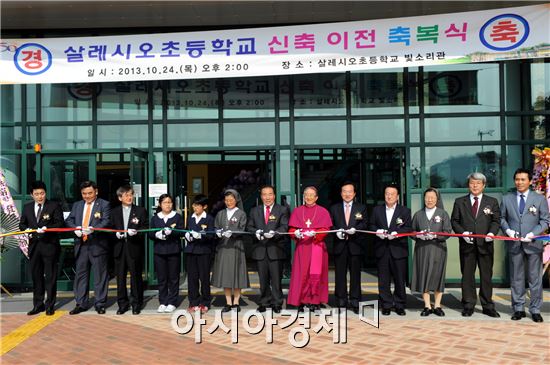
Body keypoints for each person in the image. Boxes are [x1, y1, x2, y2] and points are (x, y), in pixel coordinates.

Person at [500, 168, 549, 323]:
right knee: (516, 278)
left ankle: (535, 309)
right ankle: (519, 308)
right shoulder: (507, 198)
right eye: (517, 179)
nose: (519, 182)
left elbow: (545, 220)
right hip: (514, 244)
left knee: (535, 278)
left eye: (523, 179)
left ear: (529, 181)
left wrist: (533, 233)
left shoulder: (539, 199)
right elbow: (501, 218)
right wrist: (507, 230)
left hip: (533, 244)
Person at [451, 172, 501, 318]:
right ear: (468, 185)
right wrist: (463, 233)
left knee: (486, 276)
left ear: (483, 185)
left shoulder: (492, 202)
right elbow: (454, 221)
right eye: (472, 183)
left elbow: (496, 220)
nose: (475, 185)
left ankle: (487, 305)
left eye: (478, 183)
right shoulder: (460, 201)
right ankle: (468, 304)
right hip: (467, 245)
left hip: (485, 245)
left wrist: (492, 233)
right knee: (467, 276)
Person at [65, 180, 111, 315]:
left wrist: (94, 229)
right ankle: (81, 303)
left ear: (96, 192)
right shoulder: (77, 205)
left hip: (97, 245)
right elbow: (69, 220)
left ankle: (100, 303)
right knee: (81, 275)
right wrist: (75, 229)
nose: (87, 196)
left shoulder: (104, 204)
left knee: (100, 276)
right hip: (81, 245)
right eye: (84, 194)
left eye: (90, 193)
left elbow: (107, 221)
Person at [19, 181, 64, 316]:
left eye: (42, 193)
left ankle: (50, 305)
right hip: (34, 247)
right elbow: (22, 224)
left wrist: (47, 229)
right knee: (36, 277)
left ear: (45, 193)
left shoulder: (54, 206)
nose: (40, 196)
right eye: (37, 194)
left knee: (50, 277)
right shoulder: (27, 207)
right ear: (32, 195)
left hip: (49, 245)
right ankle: (38, 305)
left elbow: (60, 223)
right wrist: (26, 229)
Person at [287, 186, 332, 311]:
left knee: (316, 275)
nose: (309, 197)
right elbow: (291, 229)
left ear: (316, 197)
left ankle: (314, 301)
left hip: (317, 246)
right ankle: (300, 301)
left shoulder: (323, 211)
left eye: (312, 195)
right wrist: (295, 233)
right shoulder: (297, 211)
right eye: (306, 194)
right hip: (302, 248)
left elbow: (326, 229)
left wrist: (316, 233)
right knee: (301, 275)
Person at [369, 184, 412, 316]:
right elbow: (370, 225)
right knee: (383, 279)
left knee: (399, 279)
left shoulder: (405, 211)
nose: (389, 196)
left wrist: (397, 233)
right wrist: (377, 231)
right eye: (387, 193)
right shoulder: (377, 210)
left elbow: (409, 228)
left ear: (397, 196)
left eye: (392, 194)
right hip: (382, 249)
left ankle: (399, 304)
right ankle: (386, 304)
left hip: (398, 249)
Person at [247, 185, 289, 313]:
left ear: (274, 195)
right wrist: (256, 232)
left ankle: (277, 302)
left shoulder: (282, 210)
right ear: (261, 196)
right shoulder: (255, 210)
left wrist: (275, 233)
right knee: (263, 279)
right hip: (260, 249)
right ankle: (264, 302)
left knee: (276, 279)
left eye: (270, 194)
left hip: (275, 248)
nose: (267, 197)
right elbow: (249, 227)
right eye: (264, 195)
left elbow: (284, 226)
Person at [410, 187, 452, 317]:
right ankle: (427, 305)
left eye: (432, 197)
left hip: (438, 249)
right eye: (427, 197)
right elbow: (412, 232)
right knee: (424, 275)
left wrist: (435, 236)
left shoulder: (443, 213)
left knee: (437, 276)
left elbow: (447, 232)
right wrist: (418, 236)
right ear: (424, 199)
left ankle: (438, 305)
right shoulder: (418, 214)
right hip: (422, 249)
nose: (429, 200)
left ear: (437, 199)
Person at [329, 181, 368, 314]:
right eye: (344, 191)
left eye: (350, 191)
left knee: (355, 274)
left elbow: (365, 224)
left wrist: (355, 229)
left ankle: (355, 300)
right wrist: (337, 231)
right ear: (341, 193)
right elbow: (330, 225)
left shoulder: (361, 207)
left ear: (354, 193)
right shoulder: (334, 208)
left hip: (355, 245)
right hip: (340, 246)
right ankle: (341, 300)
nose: (347, 194)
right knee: (340, 274)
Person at [110, 185, 148, 315]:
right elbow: (109, 228)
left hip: (134, 247)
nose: (129, 197)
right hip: (119, 247)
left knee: (136, 277)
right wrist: (115, 234)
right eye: (126, 195)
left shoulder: (141, 210)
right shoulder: (114, 212)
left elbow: (145, 227)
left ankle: (136, 303)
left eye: (131, 194)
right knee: (120, 278)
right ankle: (122, 304)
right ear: (120, 197)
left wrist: (136, 232)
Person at [211, 189, 249, 312]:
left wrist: (233, 234)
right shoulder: (220, 213)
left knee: (237, 274)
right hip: (223, 247)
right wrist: (218, 232)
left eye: (231, 200)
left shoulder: (241, 214)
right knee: (226, 274)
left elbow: (242, 229)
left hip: (236, 247)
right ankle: (228, 302)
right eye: (226, 200)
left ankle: (236, 302)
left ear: (236, 200)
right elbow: (216, 227)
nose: (229, 202)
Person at [148, 194, 184, 313]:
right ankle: (163, 301)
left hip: (173, 251)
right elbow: (150, 233)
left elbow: (181, 232)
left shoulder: (177, 217)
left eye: (169, 202)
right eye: (165, 202)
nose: (167, 205)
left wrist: (171, 233)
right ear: (160, 204)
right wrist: (157, 235)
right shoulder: (155, 218)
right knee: (162, 278)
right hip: (159, 252)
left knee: (173, 278)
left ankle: (172, 301)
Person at [184, 194, 215, 314]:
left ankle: (205, 302)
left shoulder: (209, 218)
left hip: (204, 251)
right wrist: (187, 236)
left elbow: (211, 235)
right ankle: (193, 302)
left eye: (197, 205)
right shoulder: (190, 218)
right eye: (194, 205)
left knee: (204, 277)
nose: (195, 207)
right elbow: (186, 231)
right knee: (192, 278)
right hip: (191, 251)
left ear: (205, 206)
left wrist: (201, 236)